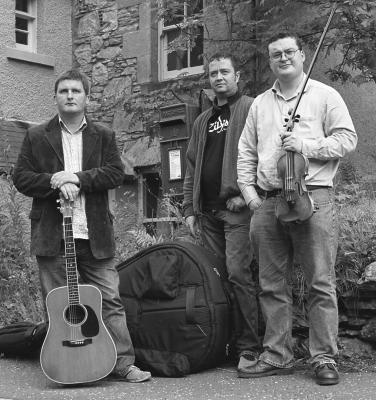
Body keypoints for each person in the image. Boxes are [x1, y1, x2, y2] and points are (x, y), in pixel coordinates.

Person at [13, 69, 151, 383]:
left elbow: (115, 173)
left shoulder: (103, 135)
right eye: (64, 91)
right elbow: (21, 178)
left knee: (110, 299)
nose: (70, 96)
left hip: (94, 233)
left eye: (76, 91)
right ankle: (64, 364)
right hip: (53, 234)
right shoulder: (37, 135)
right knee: (59, 304)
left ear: (86, 97)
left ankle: (122, 364)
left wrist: (76, 178)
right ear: (55, 97)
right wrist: (53, 181)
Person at [237, 32, 357, 385]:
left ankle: (323, 357)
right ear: (270, 60)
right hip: (269, 201)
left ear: (302, 55)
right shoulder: (260, 104)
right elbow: (245, 153)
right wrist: (251, 198)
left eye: (290, 51)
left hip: (312, 196)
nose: (283, 58)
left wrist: (306, 145)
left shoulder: (324, 95)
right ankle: (277, 355)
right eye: (276, 54)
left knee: (320, 281)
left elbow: (347, 139)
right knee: (271, 284)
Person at [183, 52, 261, 375]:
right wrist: (189, 208)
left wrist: (247, 197)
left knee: (239, 275)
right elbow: (191, 168)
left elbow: (265, 153)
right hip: (209, 214)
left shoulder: (250, 108)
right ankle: (225, 343)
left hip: (237, 211)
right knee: (218, 280)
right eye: (213, 73)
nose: (218, 77)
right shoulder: (202, 121)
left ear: (237, 75)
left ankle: (250, 347)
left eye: (224, 71)